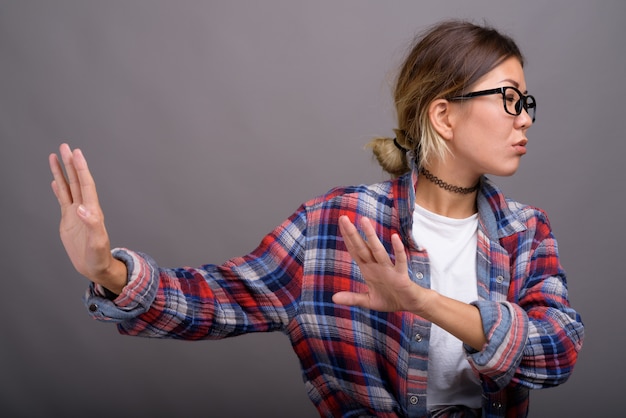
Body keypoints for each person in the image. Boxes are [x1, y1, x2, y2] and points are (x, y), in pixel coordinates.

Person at [49, 19, 584, 418]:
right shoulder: (335, 224)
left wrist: (424, 302)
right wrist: (107, 271)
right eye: (510, 99)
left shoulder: (525, 231)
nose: (526, 117)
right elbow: (215, 302)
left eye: (527, 100)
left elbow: (556, 352)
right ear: (443, 115)